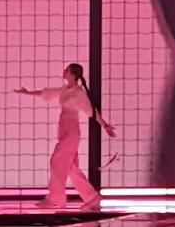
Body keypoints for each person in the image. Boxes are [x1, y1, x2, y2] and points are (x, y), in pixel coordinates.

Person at [16, 63, 115, 211]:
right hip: (64, 131)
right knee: (70, 167)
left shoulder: (79, 93)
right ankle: (92, 198)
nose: (64, 71)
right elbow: (48, 93)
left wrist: (105, 125)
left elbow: (91, 111)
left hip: (71, 133)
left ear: (73, 75)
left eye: (66, 70)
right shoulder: (65, 90)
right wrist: (28, 92)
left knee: (57, 160)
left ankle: (56, 197)